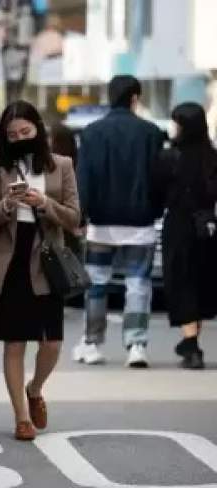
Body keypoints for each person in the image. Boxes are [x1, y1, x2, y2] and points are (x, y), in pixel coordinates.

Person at [0, 101, 81, 441]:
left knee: (51, 342)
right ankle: (21, 418)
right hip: (10, 258)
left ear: (38, 128)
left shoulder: (62, 165)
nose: (20, 138)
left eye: (26, 131)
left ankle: (35, 388)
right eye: (12, 134)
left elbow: (73, 217)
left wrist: (43, 203)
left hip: (47, 256)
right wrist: (8, 204)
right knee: (14, 342)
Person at [73, 75, 165, 368]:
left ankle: (92, 343)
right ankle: (136, 344)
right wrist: (155, 208)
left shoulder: (91, 133)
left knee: (97, 284)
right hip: (141, 223)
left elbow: (83, 180)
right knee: (138, 284)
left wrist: (81, 215)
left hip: (101, 223)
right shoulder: (152, 133)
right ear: (135, 98)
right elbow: (159, 180)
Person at [153, 103, 217, 370]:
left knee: (181, 280)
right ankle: (190, 341)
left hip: (178, 225)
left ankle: (191, 345)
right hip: (207, 227)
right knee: (199, 280)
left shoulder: (169, 157)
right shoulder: (212, 157)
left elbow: (156, 192)